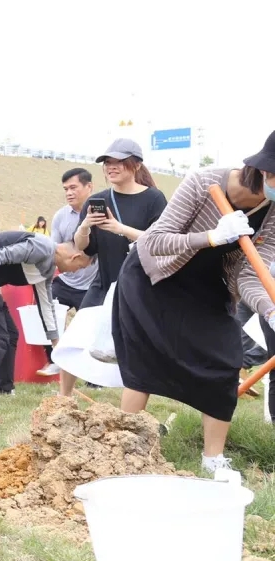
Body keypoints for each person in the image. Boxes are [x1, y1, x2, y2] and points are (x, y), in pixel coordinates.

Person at [112, 131, 275, 474]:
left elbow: (250, 274)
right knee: (145, 361)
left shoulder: (273, 212)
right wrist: (211, 237)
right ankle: (122, 448)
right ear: (267, 172)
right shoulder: (203, 182)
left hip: (207, 286)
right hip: (154, 278)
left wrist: (269, 309)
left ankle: (213, 459)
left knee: (225, 359)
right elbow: (154, 242)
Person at [0, 231, 90, 415]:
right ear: (75, 257)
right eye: (80, 267)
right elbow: (0, 255)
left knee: (11, 334)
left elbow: (46, 306)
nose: (76, 271)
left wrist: (56, 345)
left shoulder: (47, 269)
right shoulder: (42, 248)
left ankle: (4, 388)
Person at [63, 138, 167, 395]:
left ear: (136, 165)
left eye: (119, 162)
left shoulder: (154, 199)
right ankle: (63, 398)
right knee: (75, 339)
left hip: (140, 285)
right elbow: (84, 248)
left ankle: (134, 403)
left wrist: (121, 229)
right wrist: (85, 226)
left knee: (138, 347)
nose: (111, 167)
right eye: (107, 162)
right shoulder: (97, 200)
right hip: (104, 281)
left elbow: (162, 242)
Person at [49, 168, 98, 310]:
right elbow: (54, 252)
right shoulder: (60, 216)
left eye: (73, 187)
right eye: (66, 189)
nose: (68, 193)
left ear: (89, 186)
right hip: (65, 282)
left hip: (93, 287)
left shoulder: (100, 215)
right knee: (47, 318)